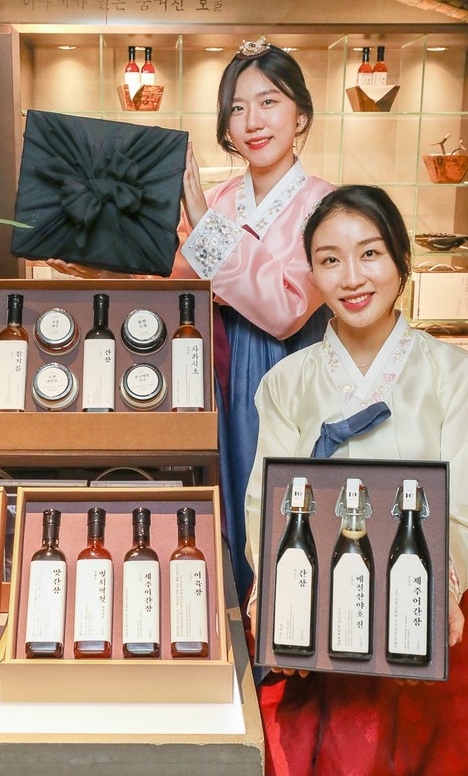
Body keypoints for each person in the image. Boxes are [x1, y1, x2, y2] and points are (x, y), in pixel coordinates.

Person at [245, 185, 468, 776]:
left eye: (369, 254)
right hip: (322, 633)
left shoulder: (454, 374)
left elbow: (465, 504)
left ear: (401, 259)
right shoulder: (286, 381)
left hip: (429, 621)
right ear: (311, 273)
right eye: (329, 259)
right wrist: (273, 596)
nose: (352, 277)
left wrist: (440, 588)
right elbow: (264, 502)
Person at [49, 36, 335, 603]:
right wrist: (100, 270)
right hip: (208, 368)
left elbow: (284, 309)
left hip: (283, 368)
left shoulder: (323, 204)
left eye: (269, 102)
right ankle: (229, 631)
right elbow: (172, 278)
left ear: (301, 114)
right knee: (217, 508)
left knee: (278, 508)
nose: (252, 121)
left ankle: (280, 635)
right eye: (237, 107)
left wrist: (200, 216)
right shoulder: (223, 197)